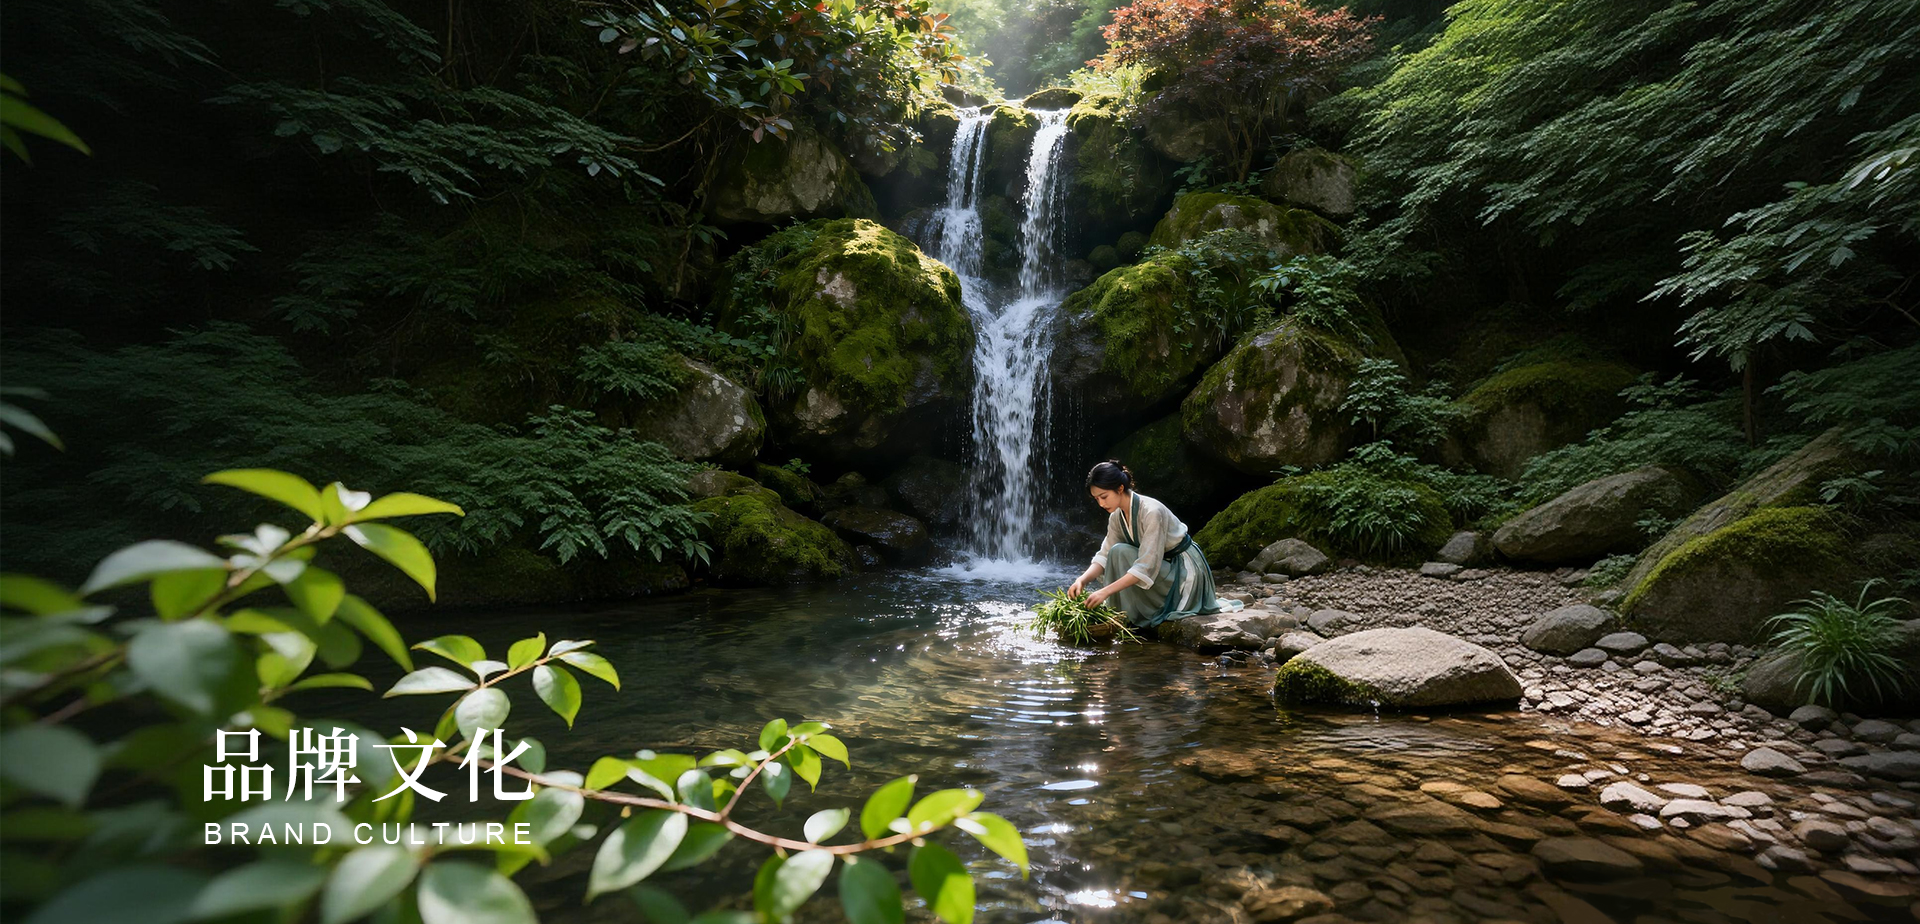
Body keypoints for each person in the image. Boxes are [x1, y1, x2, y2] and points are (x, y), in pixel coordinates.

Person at [1066, 460, 1242, 628]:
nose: (1101, 503)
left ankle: (1132, 612)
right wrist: (1082, 580)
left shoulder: (1151, 511)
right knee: (1117, 552)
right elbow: (1104, 555)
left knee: (1121, 552)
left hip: (1183, 568)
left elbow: (1146, 566)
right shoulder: (1116, 517)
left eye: (1104, 496)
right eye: (1096, 499)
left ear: (1120, 488)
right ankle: (1123, 612)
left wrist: (1105, 592)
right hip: (1162, 566)